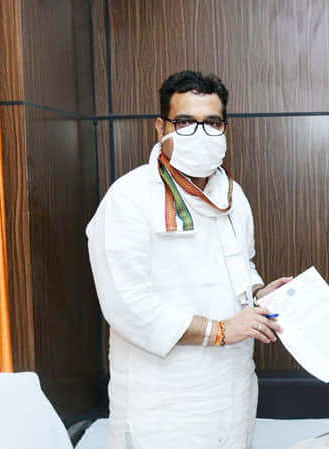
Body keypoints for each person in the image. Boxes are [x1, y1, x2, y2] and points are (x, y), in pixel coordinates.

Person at [86, 70, 290, 449]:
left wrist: (261, 293)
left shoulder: (233, 196)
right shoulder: (128, 198)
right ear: (160, 127)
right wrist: (221, 331)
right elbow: (128, 306)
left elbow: (241, 265)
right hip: (163, 401)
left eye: (212, 122)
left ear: (225, 128)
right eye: (185, 122)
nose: (201, 134)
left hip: (232, 391)